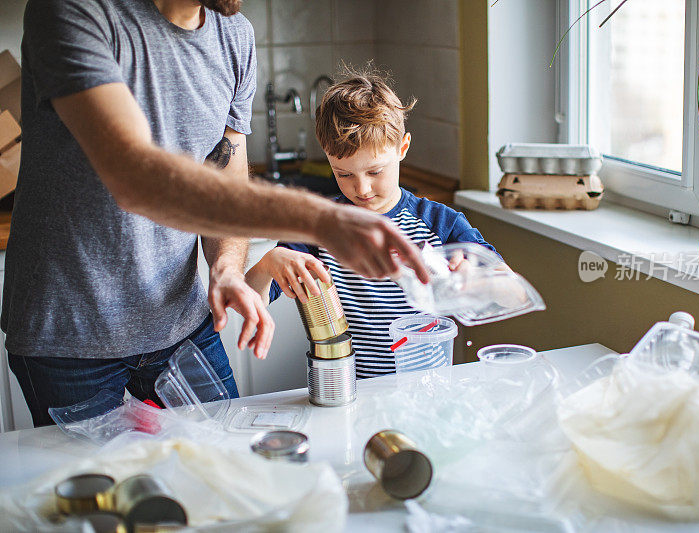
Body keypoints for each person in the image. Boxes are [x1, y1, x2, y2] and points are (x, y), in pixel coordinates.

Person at [3, 0, 427, 427]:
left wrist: (226, 267)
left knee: (228, 461)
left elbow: (227, 174)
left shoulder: (234, 36)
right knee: (107, 490)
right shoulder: (74, 11)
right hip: (68, 334)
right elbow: (135, 177)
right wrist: (322, 218)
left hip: (180, 320)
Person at [246, 70, 502, 378]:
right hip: (350, 389)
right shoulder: (321, 228)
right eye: (344, 174)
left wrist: (476, 279)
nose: (362, 189)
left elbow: (508, 290)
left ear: (403, 148)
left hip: (425, 386)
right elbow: (252, 294)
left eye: (375, 171)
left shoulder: (440, 223)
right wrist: (267, 263)